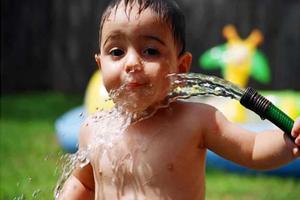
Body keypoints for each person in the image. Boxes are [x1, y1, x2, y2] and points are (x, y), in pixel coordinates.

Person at [57, 0, 300, 199]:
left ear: (181, 68)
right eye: (117, 52)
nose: (131, 63)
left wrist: (289, 143)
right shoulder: (94, 129)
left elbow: (253, 148)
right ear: (100, 64)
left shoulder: (197, 120)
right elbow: (84, 183)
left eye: (150, 51)